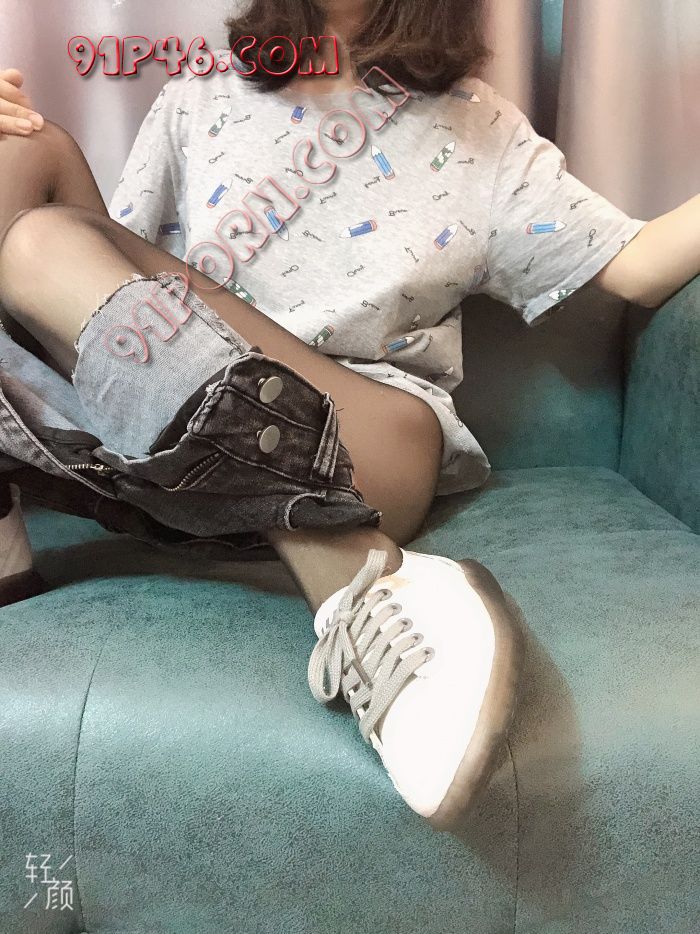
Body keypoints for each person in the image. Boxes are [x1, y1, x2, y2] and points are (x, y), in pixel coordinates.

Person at [0, 0, 695, 832]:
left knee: (38, 243)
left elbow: (633, 265)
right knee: (22, 161)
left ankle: (353, 572)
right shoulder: (199, 97)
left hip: (366, 439)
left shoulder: (478, 128)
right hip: (183, 442)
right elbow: (98, 291)